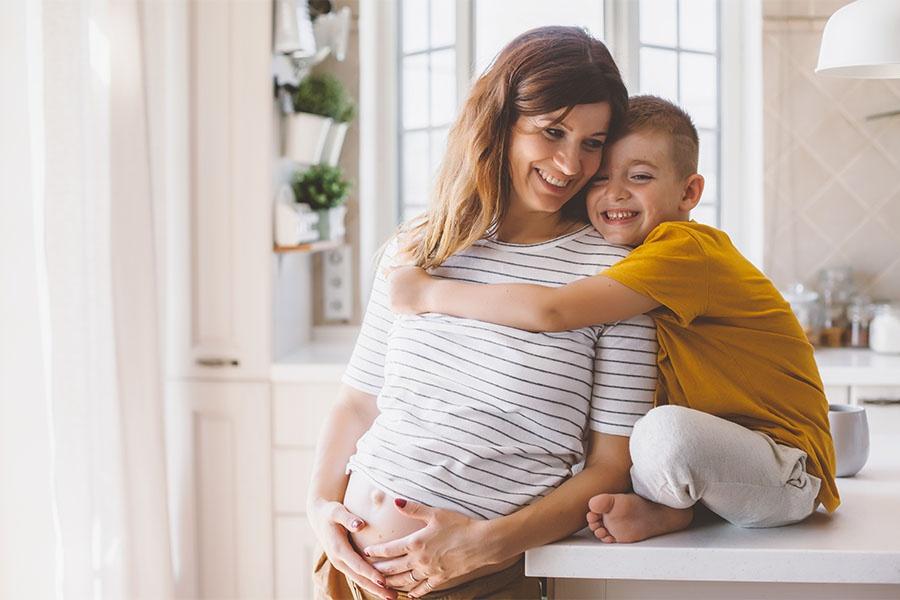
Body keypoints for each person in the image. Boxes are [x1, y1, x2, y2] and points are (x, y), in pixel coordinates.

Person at [387, 95, 839, 545]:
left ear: (689, 192)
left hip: (786, 469)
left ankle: (674, 512)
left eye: (640, 177)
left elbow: (553, 311)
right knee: (646, 436)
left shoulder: (685, 249)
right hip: (719, 463)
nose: (615, 193)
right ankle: (676, 508)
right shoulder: (631, 261)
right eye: (599, 179)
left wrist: (430, 293)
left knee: (663, 433)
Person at [307, 27, 660, 600]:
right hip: (346, 573)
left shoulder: (613, 275)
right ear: (501, 123)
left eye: (592, 142)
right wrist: (319, 506)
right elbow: (357, 402)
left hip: (479, 582)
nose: (571, 163)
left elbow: (610, 465)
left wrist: (485, 545)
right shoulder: (420, 247)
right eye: (552, 132)